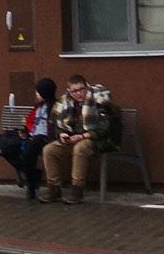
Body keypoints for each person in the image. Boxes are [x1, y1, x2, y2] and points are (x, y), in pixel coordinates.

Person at [37, 73, 112, 205]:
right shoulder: (65, 102)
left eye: (81, 89)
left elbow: (105, 127)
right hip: (73, 137)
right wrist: (62, 134)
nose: (79, 93)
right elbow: (57, 123)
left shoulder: (99, 100)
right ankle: (54, 189)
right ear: (69, 91)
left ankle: (77, 191)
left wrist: (83, 136)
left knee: (80, 148)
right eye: (74, 91)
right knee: (49, 150)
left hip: (96, 139)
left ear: (86, 87)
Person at [0, 77, 59, 202]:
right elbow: (30, 122)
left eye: (38, 92)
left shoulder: (55, 107)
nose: (36, 95)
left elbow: (54, 126)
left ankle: (31, 185)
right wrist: (24, 130)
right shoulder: (38, 106)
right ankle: (33, 174)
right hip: (32, 135)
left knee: (30, 150)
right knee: (7, 146)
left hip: (44, 138)